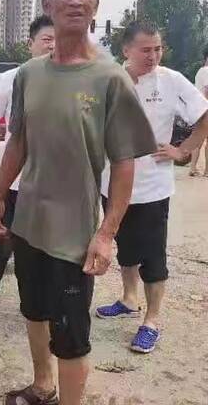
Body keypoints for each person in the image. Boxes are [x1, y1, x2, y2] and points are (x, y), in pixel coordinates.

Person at [0, 0, 157, 405]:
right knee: (34, 312)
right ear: (48, 6)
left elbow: (123, 163)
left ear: (95, 6)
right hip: (29, 226)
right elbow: (18, 139)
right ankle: (43, 387)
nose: (75, 0)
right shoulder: (29, 74)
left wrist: (106, 233)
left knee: (72, 333)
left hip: (75, 235)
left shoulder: (110, 79)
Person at [96, 21, 208, 353]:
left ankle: (152, 321)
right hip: (112, 185)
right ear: (126, 50)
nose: (154, 55)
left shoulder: (172, 81)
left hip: (153, 188)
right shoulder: (108, 79)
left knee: (154, 258)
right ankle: (129, 300)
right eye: (146, 50)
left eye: (158, 48)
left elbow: (204, 118)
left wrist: (183, 150)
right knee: (124, 249)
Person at [0, 15, 55, 328]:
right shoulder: (10, 79)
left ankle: (37, 307)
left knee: (43, 250)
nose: (52, 45)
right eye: (47, 39)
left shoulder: (71, 78)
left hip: (51, 185)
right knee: (1, 246)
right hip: (15, 180)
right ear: (30, 43)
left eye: (57, 39)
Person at [189, 46, 208, 176]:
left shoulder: (200, 71)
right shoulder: (207, 71)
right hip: (206, 109)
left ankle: (192, 168)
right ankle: (206, 170)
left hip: (199, 109)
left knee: (198, 140)